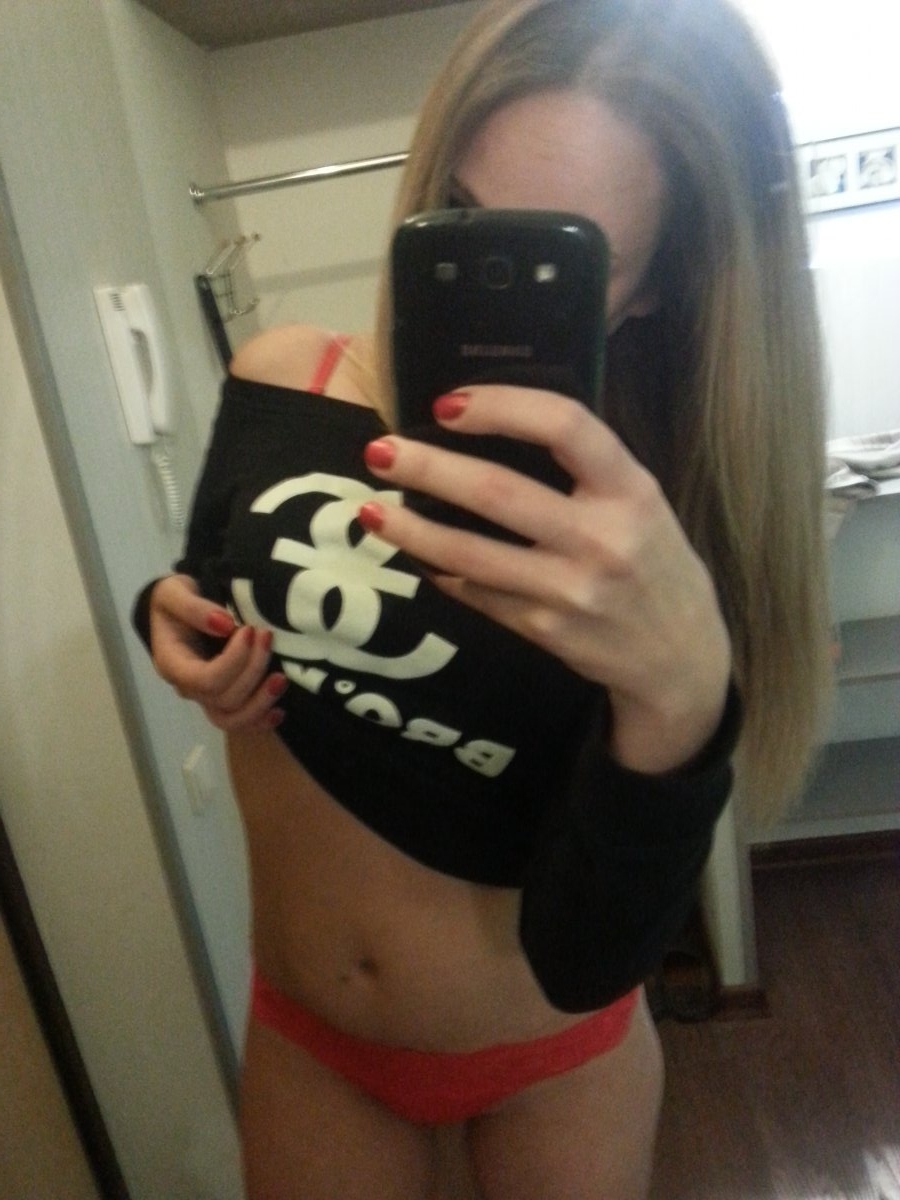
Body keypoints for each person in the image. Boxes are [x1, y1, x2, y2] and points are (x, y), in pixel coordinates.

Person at [134, 0, 832, 1195]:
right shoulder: (286, 370)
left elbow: (590, 956)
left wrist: (679, 697)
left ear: (653, 289)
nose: (482, 280)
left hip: (553, 1055)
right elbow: (208, 580)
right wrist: (172, 616)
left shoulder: (651, 536)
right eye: (460, 211)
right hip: (308, 1035)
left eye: (563, 257)